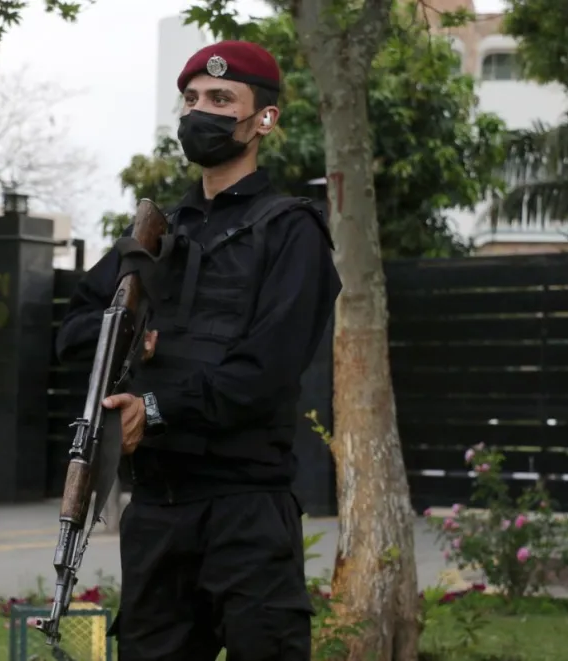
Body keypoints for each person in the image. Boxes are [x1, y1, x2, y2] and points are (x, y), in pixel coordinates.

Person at [55, 40, 342, 660]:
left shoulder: (293, 232)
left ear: (264, 119)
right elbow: (75, 329)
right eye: (190, 100)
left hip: (246, 509)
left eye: (220, 99)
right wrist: (129, 337)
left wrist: (152, 409)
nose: (200, 113)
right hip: (158, 511)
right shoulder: (156, 235)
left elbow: (265, 372)